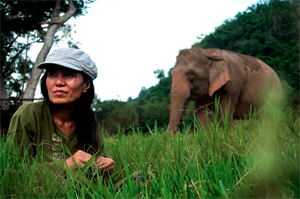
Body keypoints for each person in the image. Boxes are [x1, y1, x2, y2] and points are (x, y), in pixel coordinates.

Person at [6, 48, 114, 175]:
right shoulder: (28, 115)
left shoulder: (89, 121)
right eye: (52, 74)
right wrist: (64, 166)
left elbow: (93, 175)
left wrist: (103, 165)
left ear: (86, 85)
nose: (58, 82)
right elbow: (12, 171)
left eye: (69, 75)